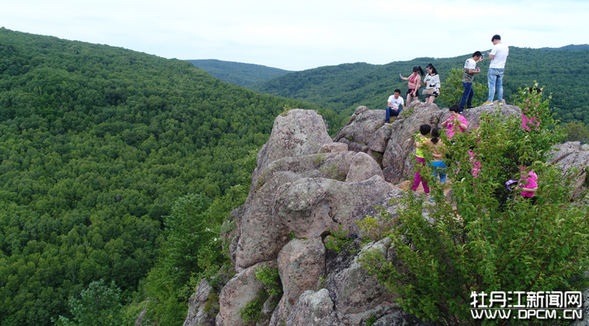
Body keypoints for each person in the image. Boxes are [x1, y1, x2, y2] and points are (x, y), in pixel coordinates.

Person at [484, 34, 509, 105]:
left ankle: (490, 100)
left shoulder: (496, 47)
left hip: (494, 67)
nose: (493, 43)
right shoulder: (506, 47)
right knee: (500, 85)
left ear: (495, 40)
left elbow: (491, 58)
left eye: (493, 42)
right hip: (501, 67)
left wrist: (490, 55)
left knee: (492, 84)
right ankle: (500, 100)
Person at [411, 124, 431, 194]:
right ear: (428, 133)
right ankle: (412, 189)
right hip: (423, 158)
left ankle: (427, 190)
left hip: (417, 156)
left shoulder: (417, 136)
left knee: (424, 174)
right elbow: (421, 146)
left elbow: (414, 144)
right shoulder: (426, 140)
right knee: (419, 175)